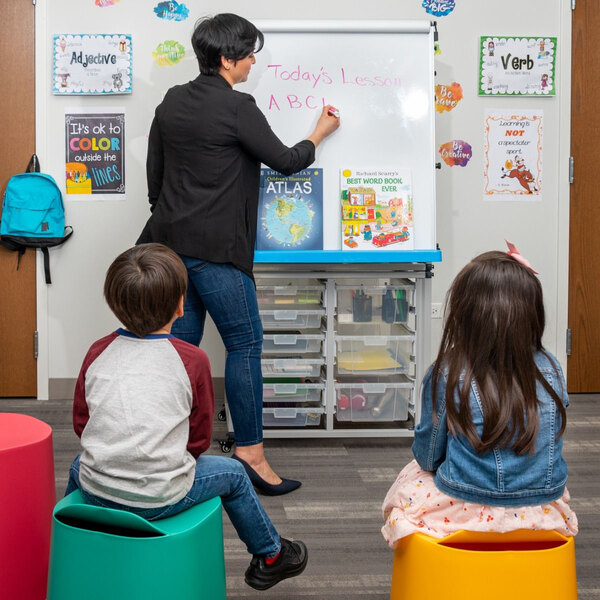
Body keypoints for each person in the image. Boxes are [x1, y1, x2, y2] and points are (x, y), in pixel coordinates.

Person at [137, 13, 340, 495]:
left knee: (178, 355)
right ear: (227, 58)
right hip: (218, 253)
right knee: (245, 347)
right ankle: (249, 453)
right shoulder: (237, 106)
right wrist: (321, 131)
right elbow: (287, 163)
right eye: (249, 53)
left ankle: (179, 457)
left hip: (168, 249)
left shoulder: (171, 101)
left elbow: (155, 177)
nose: (253, 61)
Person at [65, 244, 308, 591]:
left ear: (114, 303)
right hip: (161, 496)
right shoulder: (191, 359)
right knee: (236, 473)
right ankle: (270, 555)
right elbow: (199, 437)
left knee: (79, 463)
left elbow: (81, 422)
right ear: (181, 305)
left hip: (98, 490)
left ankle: (75, 537)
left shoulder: (97, 350)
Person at [382, 244, 578, 547]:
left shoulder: (447, 370)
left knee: (407, 483)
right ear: (531, 312)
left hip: (467, 505)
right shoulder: (551, 366)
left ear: (465, 313)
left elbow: (428, 455)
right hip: (542, 504)